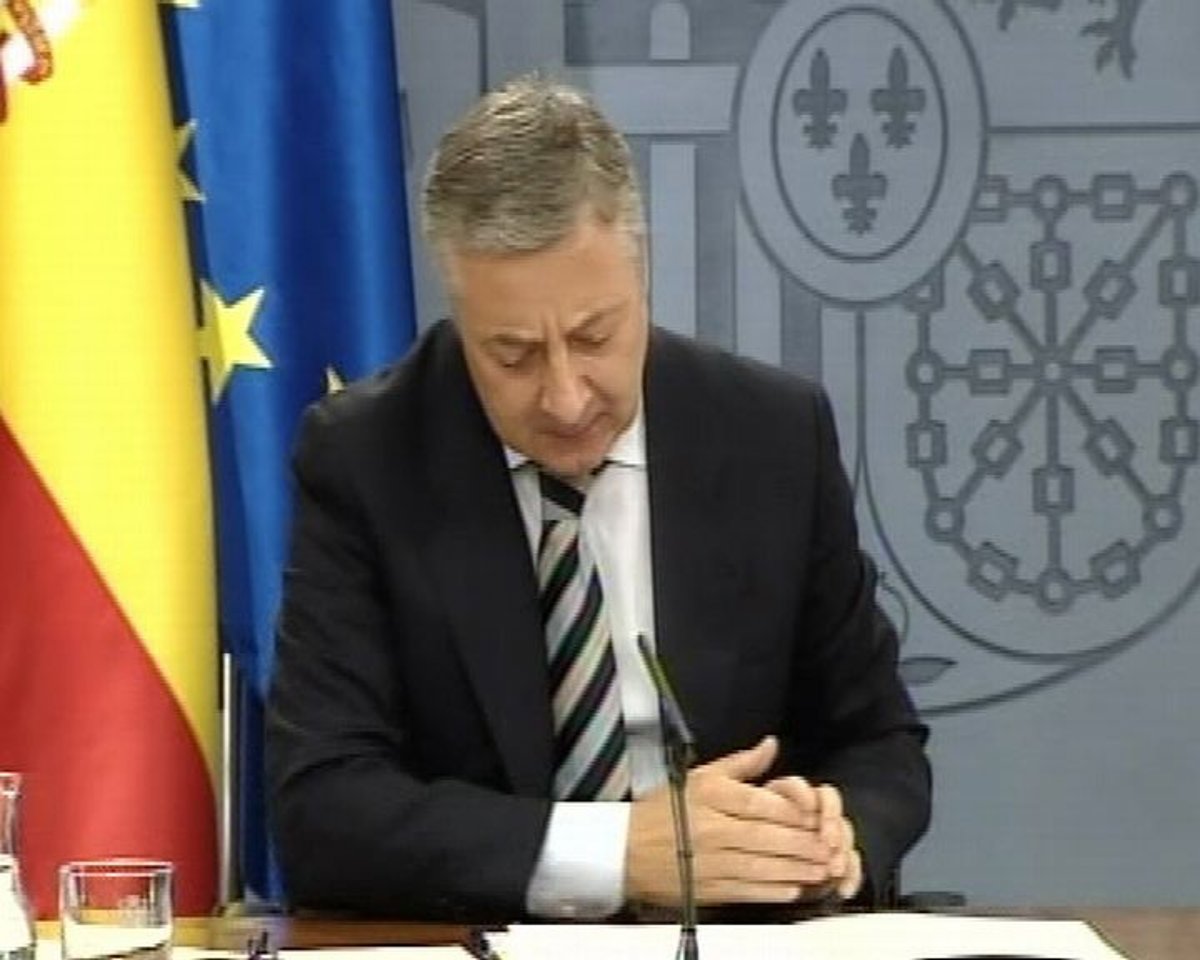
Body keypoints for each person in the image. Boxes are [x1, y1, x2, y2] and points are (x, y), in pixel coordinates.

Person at [266, 75, 930, 922]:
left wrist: (831, 834)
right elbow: (323, 806)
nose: (566, 396)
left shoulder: (772, 435)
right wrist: (620, 853)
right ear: (457, 312)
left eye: (594, 337)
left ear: (641, 276)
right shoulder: (367, 458)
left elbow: (879, 742)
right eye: (512, 355)